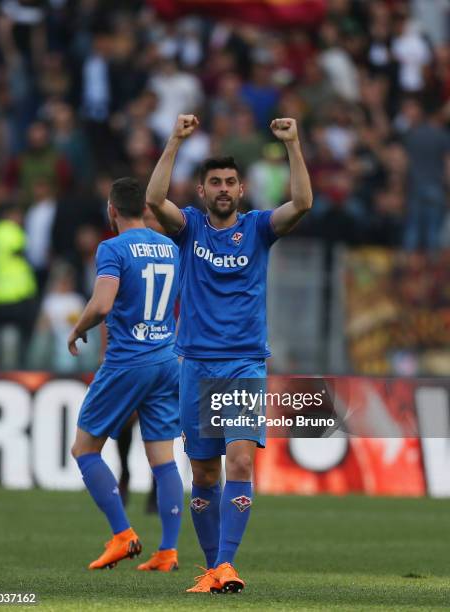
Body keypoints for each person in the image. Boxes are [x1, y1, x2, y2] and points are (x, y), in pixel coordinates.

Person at [146, 115, 313, 593]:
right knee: (203, 472)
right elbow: (155, 200)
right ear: (203, 191)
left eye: (230, 182)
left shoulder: (260, 228)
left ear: (242, 190)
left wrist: (293, 144)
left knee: (239, 462)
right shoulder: (191, 229)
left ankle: (226, 565)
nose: (223, 189)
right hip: (195, 364)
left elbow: (302, 202)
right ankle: (213, 569)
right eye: (215, 182)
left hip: (243, 364)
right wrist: (175, 140)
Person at [68, 177, 183, 572]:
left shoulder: (112, 247)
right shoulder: (169, 247)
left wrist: (77, 327)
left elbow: (101, 305)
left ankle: (123, 535)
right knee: (163, 458)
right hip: (167, 360)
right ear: (145, 209)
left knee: (84, 449)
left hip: (128, 359)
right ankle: (168, 551)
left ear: (112, 209)